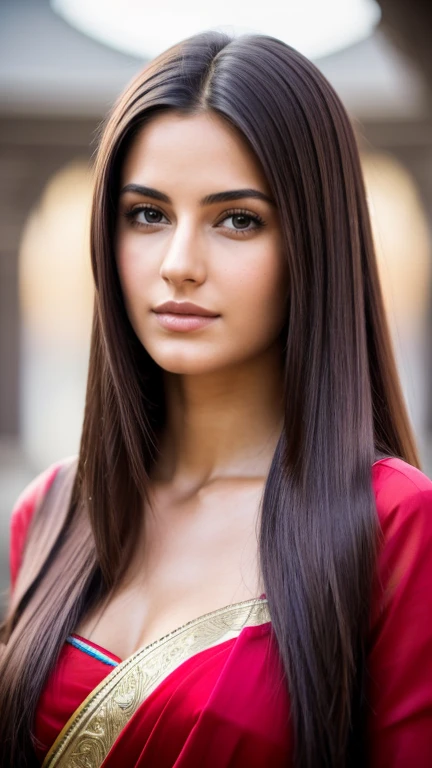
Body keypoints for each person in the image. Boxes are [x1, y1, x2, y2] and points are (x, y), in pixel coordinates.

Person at [1, 29, 431, 768]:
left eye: (238, 220)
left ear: (313, 245)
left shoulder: (394, 526)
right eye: (148, 214)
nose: (178, 265)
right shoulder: (52, 511)